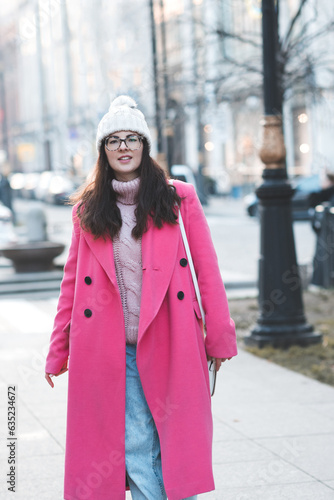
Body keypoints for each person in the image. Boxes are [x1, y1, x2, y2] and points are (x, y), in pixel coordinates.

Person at [45, 95, 238, 500]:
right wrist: (57, 348)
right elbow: (72, 283)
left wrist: (219, 335)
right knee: (135, 444)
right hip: (112, 350)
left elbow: (207, 271)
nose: (124, 147)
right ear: (103, 151)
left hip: (172, 340)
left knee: (172, 443)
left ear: (145, 146)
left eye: (132, 138)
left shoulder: (177, 198)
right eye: (114, 140)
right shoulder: (89, 209)